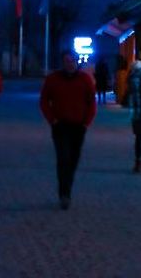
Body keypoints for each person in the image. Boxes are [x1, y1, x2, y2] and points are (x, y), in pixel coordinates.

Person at [40, 50, 96, 209]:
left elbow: (91, 103)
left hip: (78, 126)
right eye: (66, 61)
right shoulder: (53, 79)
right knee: (63, 158)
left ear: (76, 62)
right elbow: (44, 101)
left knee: (73, 160)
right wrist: (53, 120)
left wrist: (86, 123)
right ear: (62, 62)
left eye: (72, 61)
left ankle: (67, 187)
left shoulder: (85, 79)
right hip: (60, 126)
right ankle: (64, 194)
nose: (70, 64)